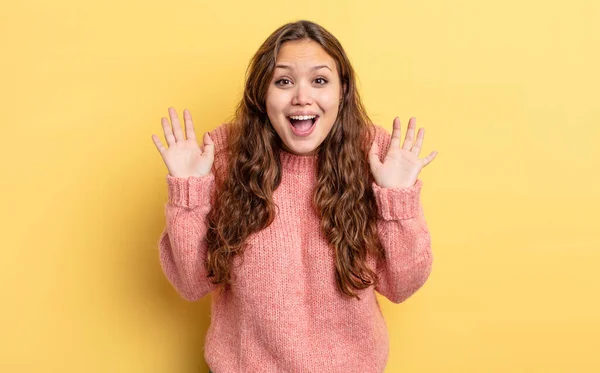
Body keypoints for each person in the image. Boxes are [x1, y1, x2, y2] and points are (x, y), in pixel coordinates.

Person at [151, 19, 438, 373]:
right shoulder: (221, 158)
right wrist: (188, 194)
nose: (302, 97)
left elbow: (402, 286)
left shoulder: (377, 157)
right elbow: (192, 284)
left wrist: (397, 200)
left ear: (342, 90)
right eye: (284, 81)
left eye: (319, 80)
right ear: (262, 93)